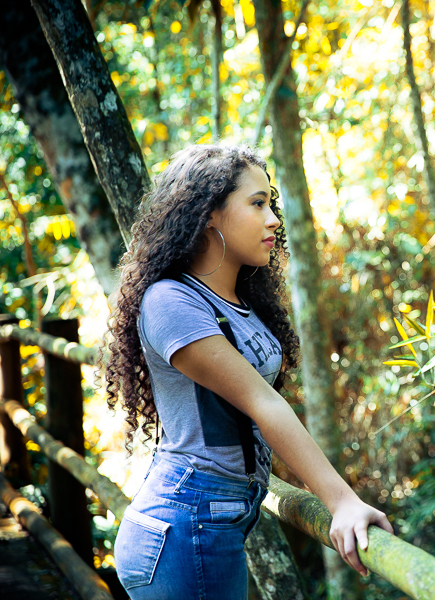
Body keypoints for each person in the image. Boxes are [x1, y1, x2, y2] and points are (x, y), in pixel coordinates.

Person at [102, 144, 392, 600]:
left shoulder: (237, 301)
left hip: (214, 519)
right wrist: (342, 502)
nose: (273, 218)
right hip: (186, 524)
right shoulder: (170, 301)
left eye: (270, 202)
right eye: (257, 204)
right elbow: (262, 402)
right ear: (209, 214)